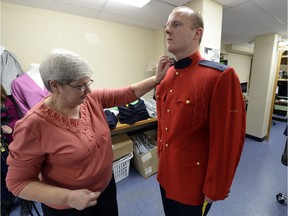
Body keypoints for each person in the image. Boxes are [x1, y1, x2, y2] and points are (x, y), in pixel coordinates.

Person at [6, 49, 172, 216]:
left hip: (106, 189)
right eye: (81, 86)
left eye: (88, 82)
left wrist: (156, 79)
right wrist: (68, 197)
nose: (89, 90)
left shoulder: (90, 100)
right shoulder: (33, 126)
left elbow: (127, 93)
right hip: (70, 207)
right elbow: (18, 183)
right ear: (55, 86)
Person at [155, 6, 246, 216]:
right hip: (165, 174)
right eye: (167, 25)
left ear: (197, 33)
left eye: (176, 24)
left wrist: (216, 187)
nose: (167, 30)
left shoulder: (220, 76)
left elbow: (227, 141)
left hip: (193, 184)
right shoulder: (167, 75)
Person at [1, 84, 32, 216]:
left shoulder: (6, 101)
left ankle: (25, 199)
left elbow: (17, 120)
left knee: (15, 171)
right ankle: (6, 201)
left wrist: (10, 127)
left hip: (8, 143)